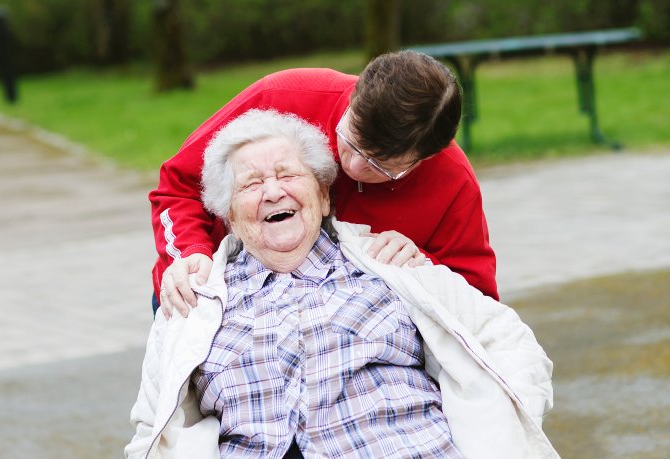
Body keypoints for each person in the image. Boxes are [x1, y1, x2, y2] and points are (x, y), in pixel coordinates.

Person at [125, 110, 558, 459]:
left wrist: (500, 433)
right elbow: (152, 428)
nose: (273, 192)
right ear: (230, 216)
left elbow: (508, 344)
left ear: (325, 195)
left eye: (288, 175)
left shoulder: (390, 265)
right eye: (252, 184)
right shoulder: (197, 301)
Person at [152, 50, 498, 319]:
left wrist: (423, 262)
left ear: (423, 159)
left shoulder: (452, 181)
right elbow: (178, 182)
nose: (353, 166)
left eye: (381, 166)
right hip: (214, 297)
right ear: (355, 95)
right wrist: (189, 253)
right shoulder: (284, 96)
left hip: (349, 332)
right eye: (351, 139)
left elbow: (478, 303)